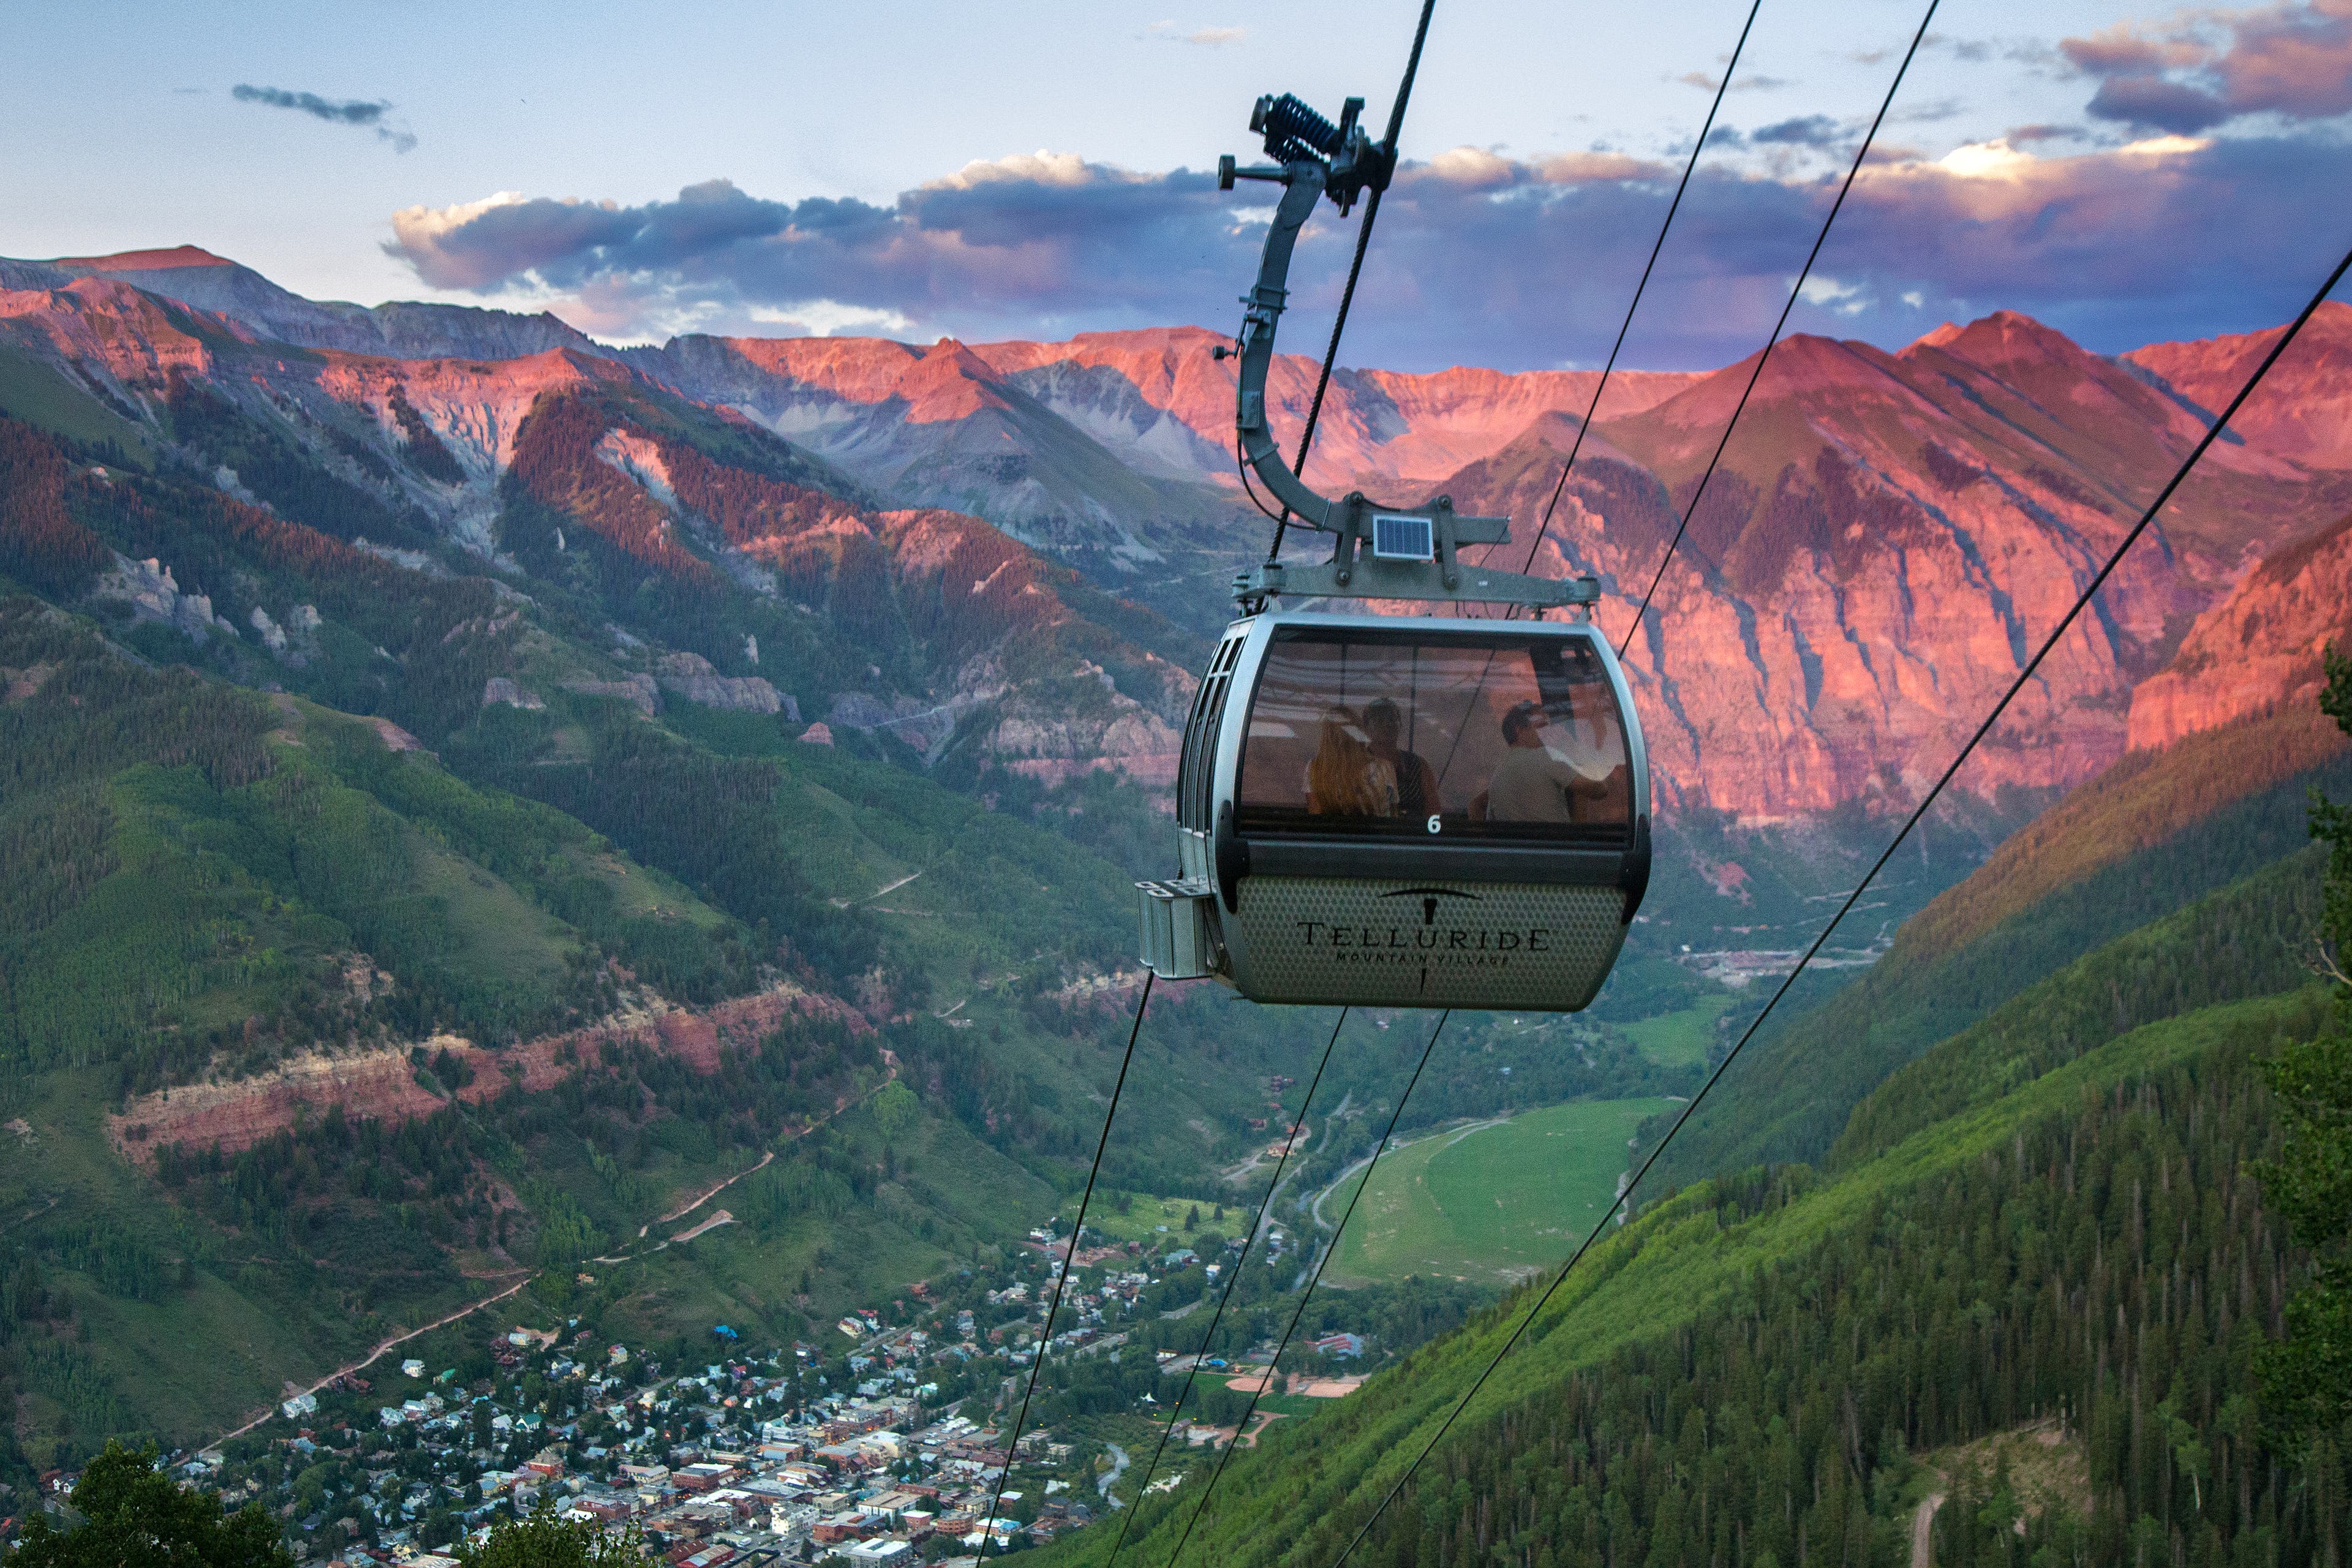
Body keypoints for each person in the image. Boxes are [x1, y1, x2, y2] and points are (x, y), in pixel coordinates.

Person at [1473, 700, 1610, 823]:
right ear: (1520, 730)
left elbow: (1474, 807)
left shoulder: (1498, 775)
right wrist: (1575, 749)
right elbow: (1600, 789)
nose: (1548, 733)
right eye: (1542, 726)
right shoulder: (1546, 756)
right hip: (1557, 848)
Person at [1306, 706, 1396, 816]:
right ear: (1356, 733)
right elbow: (1392, 815)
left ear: (1327, 736)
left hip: (1331, 833)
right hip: (1374, 833)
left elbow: (1315, 814)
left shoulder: (1316, 768)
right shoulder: (1383, 768)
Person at [1363, 698, 1441, 820]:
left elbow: (1433, 809)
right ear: (1366, 727)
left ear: (1400, 724)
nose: (1387, 724)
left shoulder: (1418, 765)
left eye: (1392, 719)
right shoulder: (1357, 763)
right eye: (1379, 720)